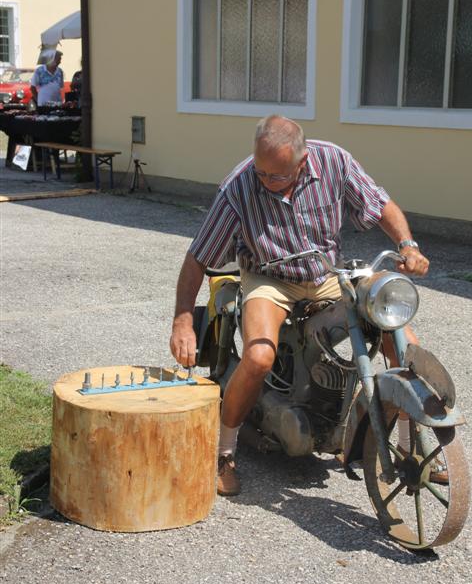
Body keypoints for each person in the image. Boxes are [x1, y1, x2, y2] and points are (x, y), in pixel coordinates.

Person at [170, 115, 430, 496]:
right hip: (269, 276)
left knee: (397, 332)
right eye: (260, 171)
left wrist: (408, 245)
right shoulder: (239, 186)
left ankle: (413, 445)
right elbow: (197, 259)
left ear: (303, 161)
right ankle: (223, 452)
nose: (264, 181)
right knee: (259, 357)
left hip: (326, 274)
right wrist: (182, 322)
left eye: (275, 176)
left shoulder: (335, 162)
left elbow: (381, 204)